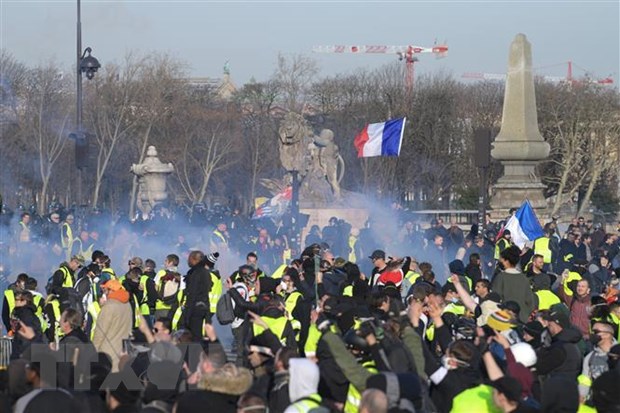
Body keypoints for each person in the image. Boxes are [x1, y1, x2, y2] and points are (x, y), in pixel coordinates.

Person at [92, 279, 133, 372]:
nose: (104, 294)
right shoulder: (127, 304)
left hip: (107, 353)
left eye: (105, 291)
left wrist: (93, 353)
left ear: (111, 290)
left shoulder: (109, 307)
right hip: (123, 352)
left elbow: (100, 333)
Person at [491, 246, 536, 323]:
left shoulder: (501, 277)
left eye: (502, 259)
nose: (500, 261)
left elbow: (494, 299)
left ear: (507, 261)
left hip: (505, 318)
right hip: (522, 319)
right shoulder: (524, 278)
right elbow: (530, 302)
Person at [183, 250, 213, 339]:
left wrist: (188, 314)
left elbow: (192, 293)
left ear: (194, 259)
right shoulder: (205, 272)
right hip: (203, 307)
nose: (188, 261)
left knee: (195, 336)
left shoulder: (196, 272)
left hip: (195, 309)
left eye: (189, 258)